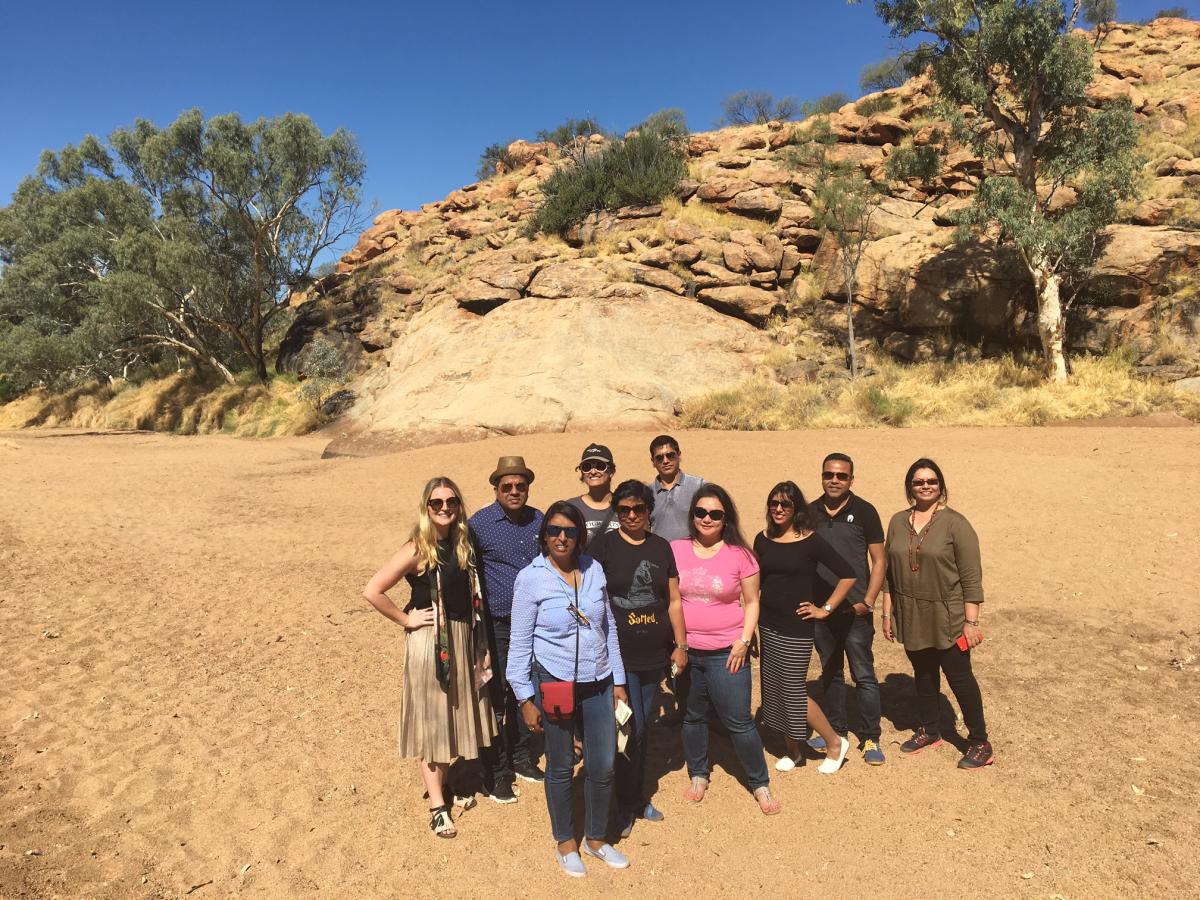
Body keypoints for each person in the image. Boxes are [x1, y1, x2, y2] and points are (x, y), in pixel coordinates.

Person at [362, 477, 497, 838]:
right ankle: (438, 805)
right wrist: (406, 619)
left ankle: (450, 782)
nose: (444, 508)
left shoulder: (463, 544)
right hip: (430, 641)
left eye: (450, 501)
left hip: (463, 637)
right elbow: (372, 590)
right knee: (433, 721)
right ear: (426, 508)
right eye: (436, 503)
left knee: (452, 713)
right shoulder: (418, 548)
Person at [508, 502, 631, 877]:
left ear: (581, 536)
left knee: (603, 763)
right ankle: (566, 842)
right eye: (554, 531)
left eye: (570, 531)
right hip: (556, 679)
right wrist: (524, 697)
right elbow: (519, 643)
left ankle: (596, 839)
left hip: (599, 680)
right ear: (544, 535)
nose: (562, 538)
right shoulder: (530, 578)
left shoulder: (593, 570)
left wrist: (620, 682)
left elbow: (606, 625)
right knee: (561, 764)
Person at [671, 484, 780, 815]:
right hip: (688, 650)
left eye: (715, 514)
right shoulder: (675, 549)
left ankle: (759, 782)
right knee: (693, 716)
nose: (707, 518)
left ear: (726, 518)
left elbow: (752, 602)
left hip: (726, 652)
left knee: (738, 720)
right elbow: (670, 599)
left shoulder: (741, 555)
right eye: (701, 512)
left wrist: (744, 641)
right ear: (692, 516)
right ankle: (699, 774)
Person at [589, 480, 688, 837]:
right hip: (617, 656)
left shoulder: (661, 547)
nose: (632, 516)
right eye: (625, 510)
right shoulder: (602, 546)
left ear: (649, 511)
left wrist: (681, 644)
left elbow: (673, 600)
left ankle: (634, 797)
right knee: (626, 729)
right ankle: (622, 803)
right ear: (617, 512)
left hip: (654, 654)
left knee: (642, 728)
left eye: (639, 509)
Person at [882, 458, 994, 770]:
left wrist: (971, 622)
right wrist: (887, 614)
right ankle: (930, 729)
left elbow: (971, 578)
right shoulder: (897, 521)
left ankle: (980, 742)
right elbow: (889, 572)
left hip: (948, 615)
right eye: (919, 481)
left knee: (960, 679)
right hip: (911, 611)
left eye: (931, 481)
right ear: (910, 487)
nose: (925, 486)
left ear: (941, 486)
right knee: (924, 674)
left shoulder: (956, 524)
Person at [753, 481, 855, 774]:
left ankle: (835, 743)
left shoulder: (811, 540)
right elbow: (756, 584)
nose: (778, 509)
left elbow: (847, 576)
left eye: (785, 504)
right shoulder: (763, 539)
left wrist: (825, 609)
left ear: (796, 508)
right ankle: (794, 750)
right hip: (768, 624)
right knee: (773, 688)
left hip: (796, 628)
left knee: (793, 690)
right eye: (773, 503)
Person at [468, 456, 545, 802]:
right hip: (497, 623)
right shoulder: (479, 524)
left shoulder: (539, 520)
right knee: (496, 695)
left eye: (520, 486)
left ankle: (522, 757)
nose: (514, 491)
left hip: (534, 623)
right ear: (496, 489)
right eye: (507, 487)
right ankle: (497, 772)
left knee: (526, 691)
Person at [808, 452, 888, 766]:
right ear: (822, 476)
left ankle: (870, 736)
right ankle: (837, 731)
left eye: (842, 476)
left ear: (851, 479)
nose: (835, 481)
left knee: (864, 675)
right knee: (831, 672)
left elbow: (879, 561)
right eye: (829, 475)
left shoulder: (865, 511)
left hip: (856, 610)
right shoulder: (810, 512)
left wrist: (868, 602)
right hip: (822, 611)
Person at [645, 435, 706, 542]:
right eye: (659, 458)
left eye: (670, 455)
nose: (665, 461)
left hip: (693, 555)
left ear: (679, 456)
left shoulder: (699, 486)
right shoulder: (646, 493)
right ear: (653, 462)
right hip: (659, 556)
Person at [566, 443, 621, 544]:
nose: (593, 471)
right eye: (587, 467)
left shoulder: (624, 505)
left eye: (600, 466)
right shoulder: (571, 508)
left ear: (612, 471)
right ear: (582, 473)